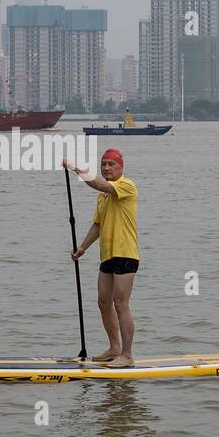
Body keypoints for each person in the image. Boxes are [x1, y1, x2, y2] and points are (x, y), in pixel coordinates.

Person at [62, 149, 138, 367]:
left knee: (120, 303)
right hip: (107, 254)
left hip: (126, 254)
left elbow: (99, 184)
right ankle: (114, 348)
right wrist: (82, 248)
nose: (106, 168)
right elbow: (98, 224)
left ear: (121, 167)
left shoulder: (126, 185)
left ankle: (127, 355)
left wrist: (77, 168)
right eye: (103, 164)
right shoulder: (102, 197)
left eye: (111, 164)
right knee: (104, 302)